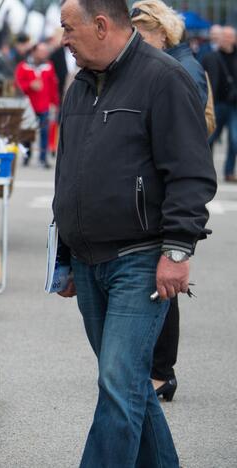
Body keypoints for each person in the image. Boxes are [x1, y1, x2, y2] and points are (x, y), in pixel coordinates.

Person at [55, 0, 217, 466]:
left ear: (101, 25)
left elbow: (191, 173)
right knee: (128, 388)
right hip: (88, 263)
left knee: (118, 386)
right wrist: (64, 255)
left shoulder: (164, 79)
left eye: (68, 28)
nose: (62, 39)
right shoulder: (80, 86)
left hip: (141, 260)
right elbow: (68, 173)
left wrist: (178, 250)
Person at [131, 0, 212, 403]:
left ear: (162, 32)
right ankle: (159, 369)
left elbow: (186, 139)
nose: (136, 43)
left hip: (169, 194)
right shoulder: (177, 63)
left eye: (142, 35)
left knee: (164, 284)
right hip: (163, 191)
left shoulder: (180, 69)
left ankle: (162, 372)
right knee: (159, 285)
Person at [15, 42, 60, 168]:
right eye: (41, 51)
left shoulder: (49, 66)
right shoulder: (23, 66)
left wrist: (54, 103)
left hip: (44, 106)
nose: (44, 53)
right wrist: (30, 85)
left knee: (45, 133)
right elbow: (17, 85)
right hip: (28, 107)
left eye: (45, 51)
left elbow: (53, 87)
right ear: (34, 51)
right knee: (27, 133)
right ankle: (26, 156)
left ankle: (43, 158)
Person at [202, 26, 237, 182]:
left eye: (230, 36)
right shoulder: (210, 57)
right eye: (224, 36)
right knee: (209, 139)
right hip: (216, 105)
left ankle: (229, 172)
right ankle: (207, 171)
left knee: (235, 140)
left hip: (234, 106)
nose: (227, 39)